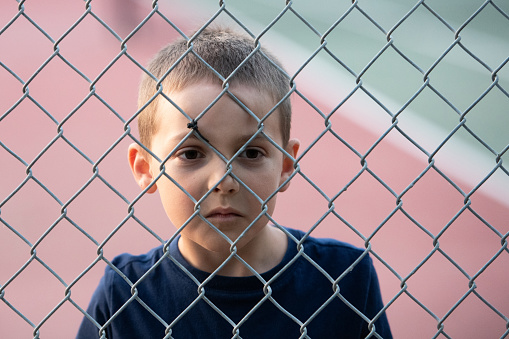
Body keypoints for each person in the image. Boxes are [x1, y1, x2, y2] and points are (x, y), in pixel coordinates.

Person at [76, 27, 392, 339]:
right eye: (190, 153)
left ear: (285, 165)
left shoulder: (345, 279)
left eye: (252, 152)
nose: (224, 181)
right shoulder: (124, 297)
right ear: (145, 168)